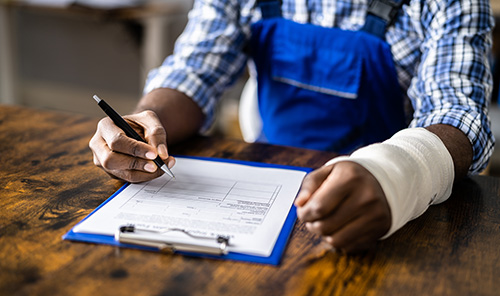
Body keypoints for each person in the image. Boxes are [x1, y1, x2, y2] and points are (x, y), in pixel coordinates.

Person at [89, 0, 495, 253]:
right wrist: (144, 123)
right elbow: (194, 70)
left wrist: (394, 175)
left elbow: (460, 116)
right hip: (266, 195)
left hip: (381, 207)